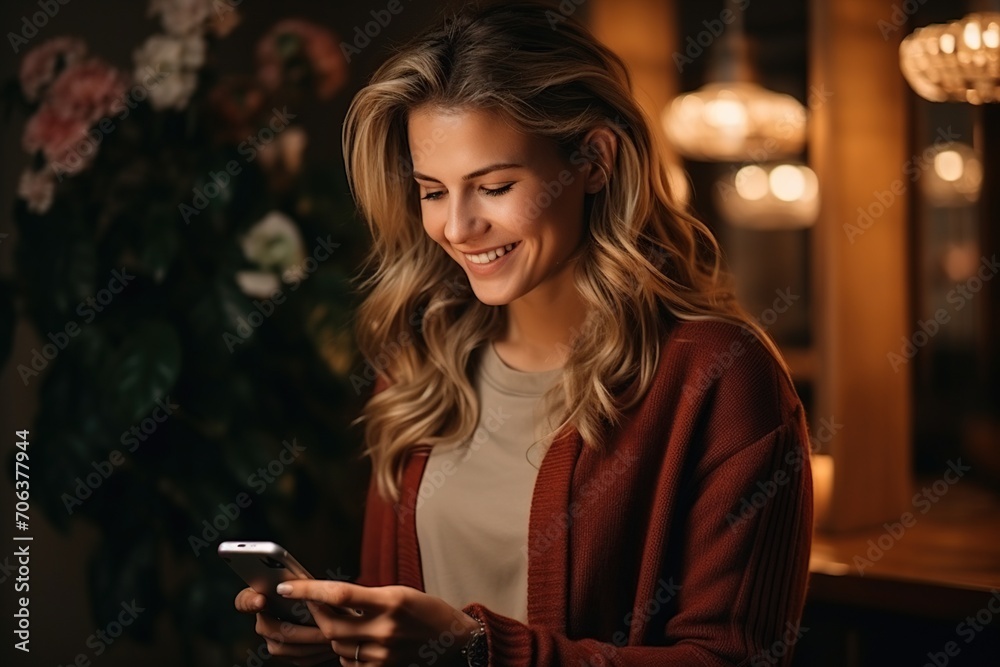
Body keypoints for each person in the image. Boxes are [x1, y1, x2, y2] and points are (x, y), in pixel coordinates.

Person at [235, 2, 813, 665]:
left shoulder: (721, 376)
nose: (457, 226)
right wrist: (343, 640)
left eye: (495, 185)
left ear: (594, 161)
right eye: (431, 191)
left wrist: (479, 651)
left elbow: (733, 659)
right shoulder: (422, 362)